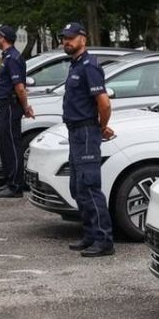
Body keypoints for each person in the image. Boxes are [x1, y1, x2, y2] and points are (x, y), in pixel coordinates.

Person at [59, 21, 114, 257]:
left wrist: (101, 127)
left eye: (70, 38)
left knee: (90, 186)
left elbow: (104, 102)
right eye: (64, 38)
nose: (66, 42)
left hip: (86, 132)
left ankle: (104, 240)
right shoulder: (76, 65)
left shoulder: (90, 66)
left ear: (83, 38)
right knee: (78, 187)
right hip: (75, 132)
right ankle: (91, 234)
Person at [0, 25, 35, 198]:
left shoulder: (13, 58)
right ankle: (9, 181)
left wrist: (25, 107)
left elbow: (20, 88)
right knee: (5, 145)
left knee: (11, 146)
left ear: (3, 38)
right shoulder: (7, 57)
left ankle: (15, 186)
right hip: (4, 106)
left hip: (10, 106)